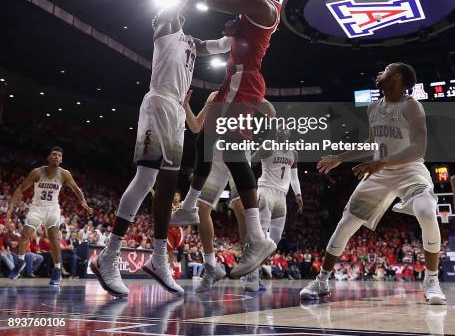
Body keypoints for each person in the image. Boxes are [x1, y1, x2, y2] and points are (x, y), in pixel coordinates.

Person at [90, 0, 232, 297]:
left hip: (175, 111)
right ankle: (109, 256)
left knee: (167, 186)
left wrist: (251, 28)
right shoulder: (166, 24)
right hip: (158, 103)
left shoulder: (190, 43)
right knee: (143, 180)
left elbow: (224, 45)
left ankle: (158, 258)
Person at [171, 0, 289, 278]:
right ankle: (192, 205)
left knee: (231, 152)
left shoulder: (259, 3)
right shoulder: (269, 1)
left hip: (244, 82)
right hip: (236, 80)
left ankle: (256, 236)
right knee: (207, 140)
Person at [300, 62, 446, 305]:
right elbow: (371, 143)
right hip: (379, 174)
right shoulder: (373, 107)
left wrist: (382, 163)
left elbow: (419, 149)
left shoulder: (411, 106)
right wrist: (339, 158)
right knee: (346, 224)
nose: (380, 73)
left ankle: (432, 281)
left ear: (397, 77)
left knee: (427, 211)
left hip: (409, 170)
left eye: (385, 70)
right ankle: (322, 280)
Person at [184, 83, 275, 293]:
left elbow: (270, 111)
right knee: (201, 210)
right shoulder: (214, 96)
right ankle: (211, 267)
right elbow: (196, 127)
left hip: (236, 151)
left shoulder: (247, 92)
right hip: (214, 156)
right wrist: (185, 106)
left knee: (240, 208)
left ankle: (251, 271)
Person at [6, 147, 92, 286]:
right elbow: (21, 188)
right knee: (25, 235)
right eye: (54, 154)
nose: (57, 156)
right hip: (37, 207)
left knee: (53, 237)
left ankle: (57, 270)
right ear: (48, 157)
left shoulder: (64, 174)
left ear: (61, 159)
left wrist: (84, 203)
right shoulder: (37, 172)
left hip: (53, 209)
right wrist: (11, 205)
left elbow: (76, 189)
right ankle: (21, 262)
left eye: (59, 155)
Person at [245, 125, 303, 291]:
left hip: (282, 196)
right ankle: (252, 276)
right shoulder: (268, 146)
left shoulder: (294, 153)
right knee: (261, 233)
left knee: (275, 239)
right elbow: (250, 163)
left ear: (290, 134)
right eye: (280, 130)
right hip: (265, 191)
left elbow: (294, 177)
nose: (283, 132)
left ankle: (252, 266)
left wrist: (298, 195)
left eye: (285, 130)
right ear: (276, 133)